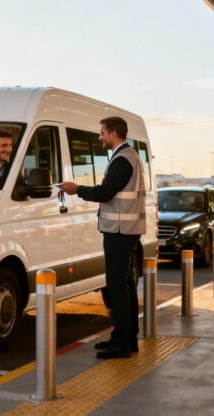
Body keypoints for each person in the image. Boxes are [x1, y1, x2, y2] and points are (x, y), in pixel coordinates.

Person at [58, 116, 146, 359]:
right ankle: (126, 339)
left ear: (113, 133)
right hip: (125, 230)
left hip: (119, 231)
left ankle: (122, 344)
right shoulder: (129, 157)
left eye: (102, 133)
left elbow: (106, 193)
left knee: (117, 286)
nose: (100, 137)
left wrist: (78, 190)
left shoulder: (121, 160)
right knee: (125, 285)